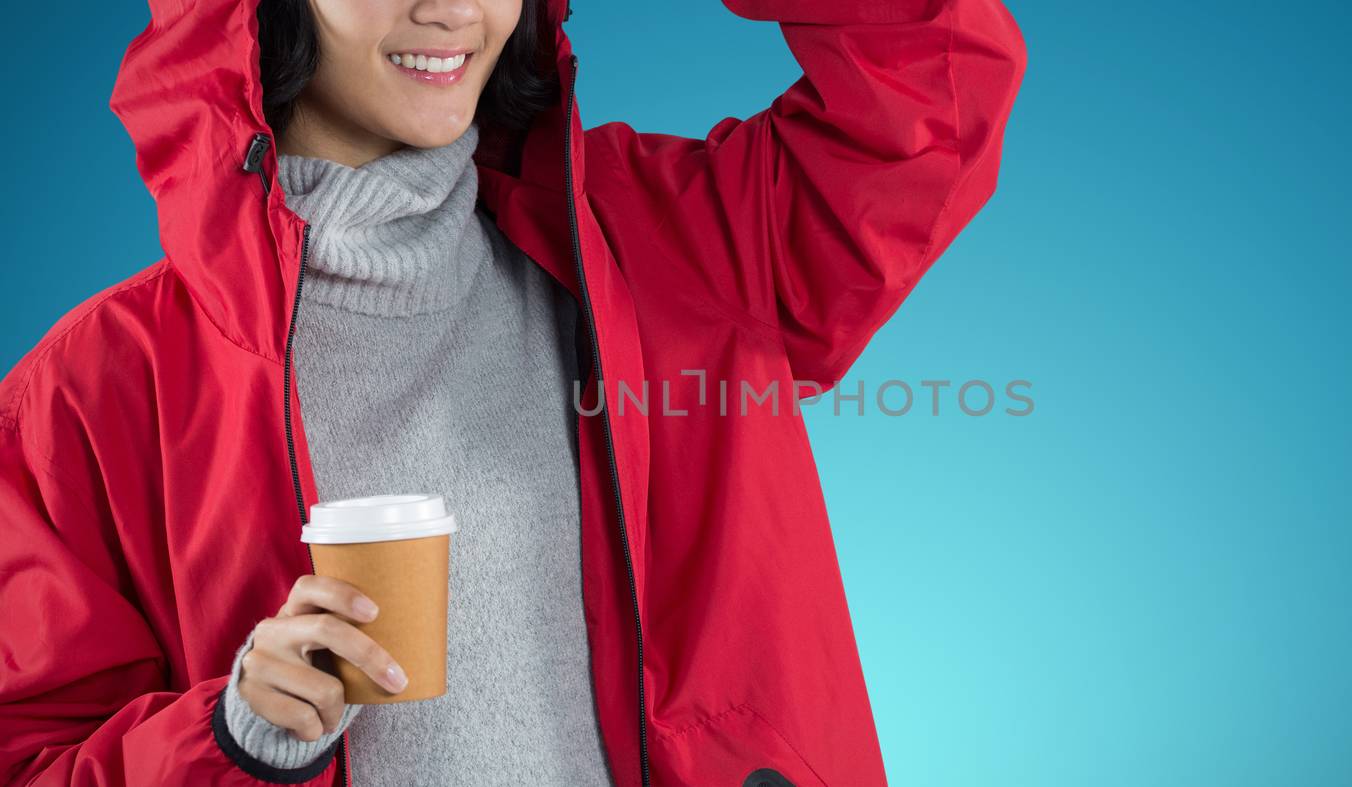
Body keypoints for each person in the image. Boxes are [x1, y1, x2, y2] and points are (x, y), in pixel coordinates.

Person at [0, 0, 1026, 784]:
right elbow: (28, 750)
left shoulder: (673, 249)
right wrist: (233, 735)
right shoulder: (92, 392)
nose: (451, 10)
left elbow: (930, 98)